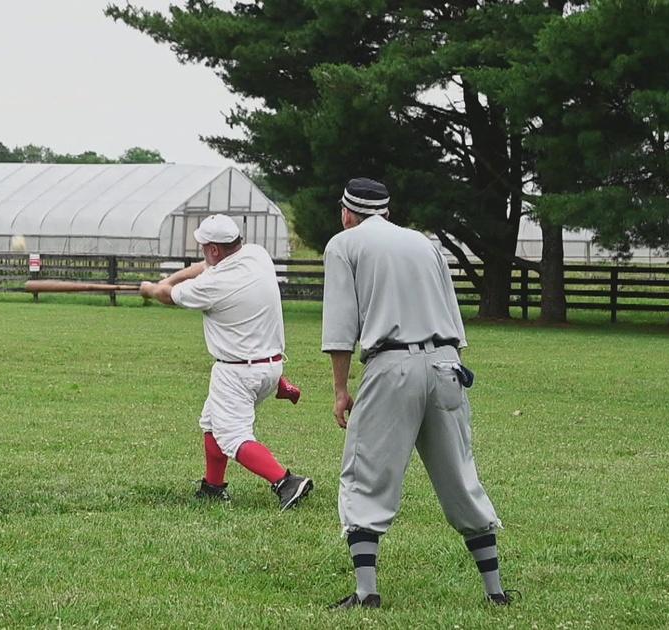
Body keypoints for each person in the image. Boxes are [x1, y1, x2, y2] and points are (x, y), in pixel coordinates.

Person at [320, 178, 511, 609]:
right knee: (460, 476)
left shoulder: (344, 245)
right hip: (446, 364)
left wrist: (339, 389)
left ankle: (366, 592)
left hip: (391, 365)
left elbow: (339, 329)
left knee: (367, 472)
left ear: (347, 212)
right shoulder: (424, 245)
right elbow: (453, 316)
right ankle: (495, 592)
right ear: (385, 211)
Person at [139, 214, 313, 510]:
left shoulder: (213, 285)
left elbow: (170, 296)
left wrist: (153, 289)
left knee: (233, 436)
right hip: (270, 367)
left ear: (214, 249)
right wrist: (167, 280)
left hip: (237, 372)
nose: (202, 252)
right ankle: (213, 487)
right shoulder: (257, 255)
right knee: (212, 422)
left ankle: (286, 481)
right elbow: (204, 267)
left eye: (204, 246)